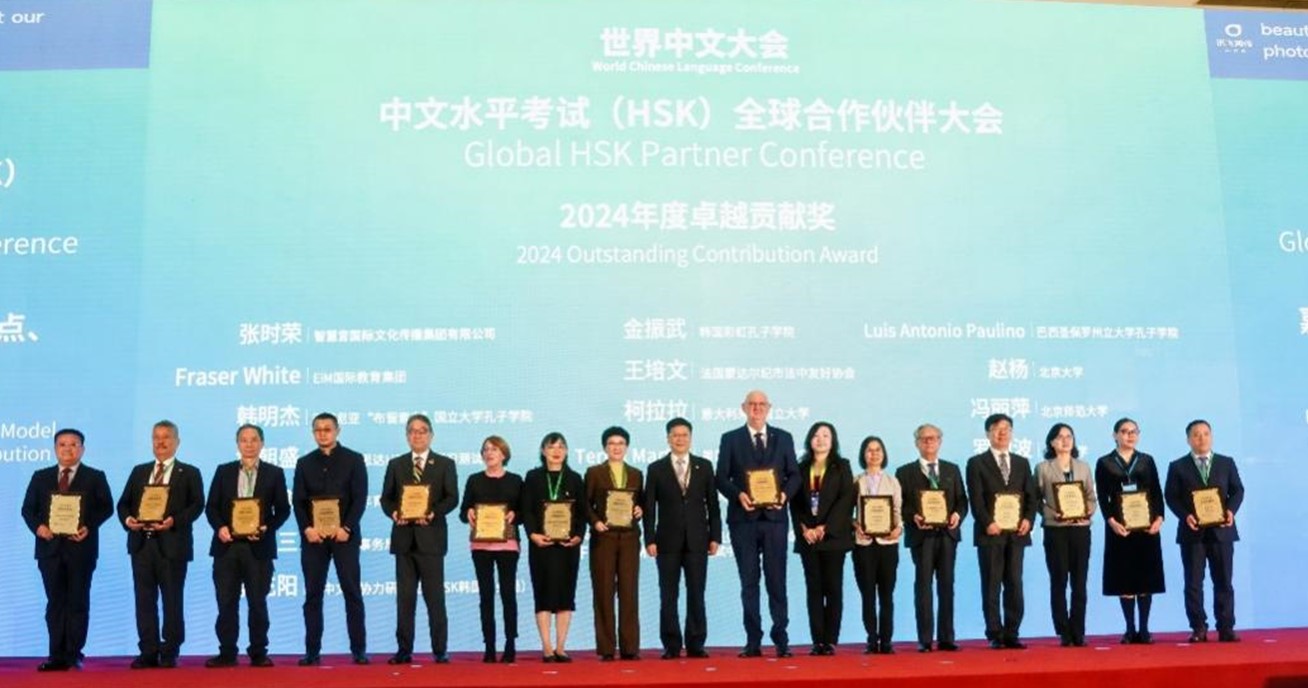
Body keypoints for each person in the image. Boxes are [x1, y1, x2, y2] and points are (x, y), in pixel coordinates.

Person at [21, 428, 115, 672]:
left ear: (82, 449)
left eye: (74, 444)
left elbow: (106, 507)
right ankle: (56, 655)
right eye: (62, 444)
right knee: (55, 602)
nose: (68, 449)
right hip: (49, 549)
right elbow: (27, 509)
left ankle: (74, 654)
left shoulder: (95, 476)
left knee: (77, 601)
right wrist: (39, 527)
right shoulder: (40, 476)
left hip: (81, 549)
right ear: (55, 449)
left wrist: (88, 525)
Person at [715, 389, 800, 658]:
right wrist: (738, 495)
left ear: (769, 408)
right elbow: (721, 477)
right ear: (743, 408)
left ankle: (781, 639)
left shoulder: (783, 438)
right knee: (749, 583)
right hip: (744, 521)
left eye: (762, 404)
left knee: (777, 581)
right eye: (752, 404)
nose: (757, 408)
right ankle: (753, 640)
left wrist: (784, 495)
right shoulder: (730, 439)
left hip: (775, 520)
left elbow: (794, 475)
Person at [117, 420, 205, 669]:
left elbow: (197, 505)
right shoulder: (139, 471)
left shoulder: (189, 472)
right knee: (144, 600)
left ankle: (170, 649)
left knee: (172, 600)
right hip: (141, 545)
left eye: (166, 437)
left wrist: (174, 521)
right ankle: (148, 650)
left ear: (177, 442)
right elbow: (123, 504)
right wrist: (128, 520)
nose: (161, 442)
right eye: (156, 437)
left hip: (172, 545)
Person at [203, 423, 291, 668]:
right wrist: (220, 527)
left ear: (262, 443)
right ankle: (227, 652)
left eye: (254, 440)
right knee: (226, 603)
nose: (249, 444)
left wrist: (266, 527)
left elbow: (283, 510)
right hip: (227, 548)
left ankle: (258, 652)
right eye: (244, 440)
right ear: (238, 444)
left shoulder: (274, 473)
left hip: (258, 548)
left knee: (257, 603)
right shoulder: (224, 471)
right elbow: (211, 507)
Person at [379, 414, 458, 664]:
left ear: (431, 435)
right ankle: (404, 650)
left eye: (422, 431)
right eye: (412, 431)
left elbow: (452, 497)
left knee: (435, 599)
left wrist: (433, 512)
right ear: (407, 436)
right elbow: (386, 498)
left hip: (431, 539)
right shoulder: (396, 464)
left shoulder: (445, 464)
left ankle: (440, 650)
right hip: (404, 540)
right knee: (405, 600)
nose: (417, 435)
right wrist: (394, 512)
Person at [292, 412, 369, 665]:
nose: (322, 434)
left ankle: (359, 650)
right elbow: (298, 501)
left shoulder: (354, 459)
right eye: (318, 430)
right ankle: (312, 652)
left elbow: (360, 498)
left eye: (327, 429)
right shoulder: (304, 463)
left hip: (344, 537)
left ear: (337, 431)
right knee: (313, 595)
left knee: (352, 593)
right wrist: (307, 529)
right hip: (314, 539)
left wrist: (347, 527)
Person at [642, 417, 721, 660]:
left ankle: (696, 643)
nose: (680, 439)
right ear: (668, 438)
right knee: (668, 595)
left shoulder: (704, 466)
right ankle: (671, 644)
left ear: (691, 438)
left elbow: (713, 505)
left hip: (698, 540)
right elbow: (649, 508)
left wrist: (715, 536)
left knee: (696, 593)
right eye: (675, 435)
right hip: (666, 541)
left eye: (684, 435)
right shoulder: (656, 468)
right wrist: (649, 539)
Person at [1164, 419, 1245, 643]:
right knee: (1193, 583)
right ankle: (1198, 627)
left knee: (1224, 581)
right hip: (1192, 532)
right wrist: (1185, 515)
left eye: (1206, 433)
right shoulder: (1177, 466)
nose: (1201, 438)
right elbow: (1171, 496)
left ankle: (1226, 627)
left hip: (1222, 531)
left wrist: (1231, 511)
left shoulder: (1226, 463)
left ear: (1212, 436)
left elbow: (1238, 490)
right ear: (1188, 439)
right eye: (1196, 434)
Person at [965, 413, 1038, 650]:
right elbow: (976, 499)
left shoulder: (1022, 462)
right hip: (991, 533)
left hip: (1017, 534)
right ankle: (995, 633)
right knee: (992, 584)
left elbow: (1031, 497)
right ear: (988, 433)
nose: (1002, 432)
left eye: (1007, 428)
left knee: (1014, 583)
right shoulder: (976, 463)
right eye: (997, 428)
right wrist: (987, 522)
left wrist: (1028, 520)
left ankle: (1012, 632)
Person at [895, 423, 967, 653]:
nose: (929, 442)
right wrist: (913, 516)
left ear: (940, 441)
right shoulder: (904, 472)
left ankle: (947, 638)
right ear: (916, 443)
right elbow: (900, 505)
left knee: (947, 586)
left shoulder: (952, 469)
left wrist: (957, 515)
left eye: (933, 438)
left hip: (947, 535)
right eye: (924, 438)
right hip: (921, 536)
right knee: (923, 586)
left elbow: (962, 500)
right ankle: (925, 639)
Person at [1095, 418, 1165, 644]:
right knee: (1124, 577)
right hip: (1120, 528)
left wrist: (1159, 518)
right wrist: (1111, 521)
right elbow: (1102, 497)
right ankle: (1129, 628)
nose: (1130, 435)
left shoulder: (1146, 460)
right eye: (1124, 431)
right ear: (1115, 435)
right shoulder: (1104, 462)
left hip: (1146, 527)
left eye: (1134, 431)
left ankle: (1144, 629)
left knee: (1145, 577)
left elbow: (1156, 492)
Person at [521, 432, 586, 663]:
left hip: (568, 547)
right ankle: (547, 647)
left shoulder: (575, 479)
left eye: (560, 447)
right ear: (543, 451)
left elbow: (582, 513)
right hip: (541, 545)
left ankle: (561, 647)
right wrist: (532, 534)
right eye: (551, 447)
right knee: (543, 594)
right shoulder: (533, 477)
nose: (556, 451)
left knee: (565, 595)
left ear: (566, 451)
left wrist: (578, 536)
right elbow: (527, 509)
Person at [458, 436, 523, 664]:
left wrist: (515, 514)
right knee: (486, 596)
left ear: (504, 454)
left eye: (494, 449)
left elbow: (524, 512)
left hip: (508, 545)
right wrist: (468, 513)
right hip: (481, 545)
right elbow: (463, 511)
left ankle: (510, 644)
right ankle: (489, 645)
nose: (489, 453)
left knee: (508, 594)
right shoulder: (474, 480)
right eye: (485, 449)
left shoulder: (515, 480)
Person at [791, 422, 854, 656]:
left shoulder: (842, 466)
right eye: (816, 435)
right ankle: (817, 640)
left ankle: (831, 640)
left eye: (826, 435)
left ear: (833, 440)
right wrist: (804, 528)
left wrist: (825, 527)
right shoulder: (800, 467)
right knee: (814, 589)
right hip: (808, 538)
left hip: (833, 537)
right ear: (810, 440)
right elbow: (795, 503)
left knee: (833, 588)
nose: (821, 439)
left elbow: (846, 500)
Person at [584, 426, 645, 661]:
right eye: (611, 443)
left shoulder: (636, 474)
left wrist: (640, 509)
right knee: (604, 591)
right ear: (604, 447)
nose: (616, 447)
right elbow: (585, 504)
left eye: (620, 443)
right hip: (604, 537)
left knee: (629, 592)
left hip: (629, 538)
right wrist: (595, 522)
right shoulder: (594, 473)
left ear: (627, 447)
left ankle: (630, 647)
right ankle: (607, 648)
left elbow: (641, 502)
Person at [1034, 423, 1096, 647]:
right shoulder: (1043, 468)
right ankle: (1063, 631)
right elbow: (1036, 500)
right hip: (1056, 529)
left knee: (1080, 582)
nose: (1065, 440)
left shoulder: (1083, 467)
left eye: (1069, 436)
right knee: (1059, 580)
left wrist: (1087, 511)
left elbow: (1091, 497)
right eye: (1060, 437)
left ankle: (1078, 631)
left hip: (1080, 529)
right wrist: (1053, 513)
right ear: (1052, 442)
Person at [852, 435, 902, 655]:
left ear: (884, 454)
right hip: (863, 544)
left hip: (888, 543)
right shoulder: (856, 481)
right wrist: (856, 525)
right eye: (869, 450)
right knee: (868, 595)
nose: (874, 454)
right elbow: (847, 513)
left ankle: (887, 640)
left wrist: (898, 528)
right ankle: (872, 638)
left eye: (878, 449)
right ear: (863, 454)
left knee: (886, 594)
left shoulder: (893, 481)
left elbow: (898, 511)